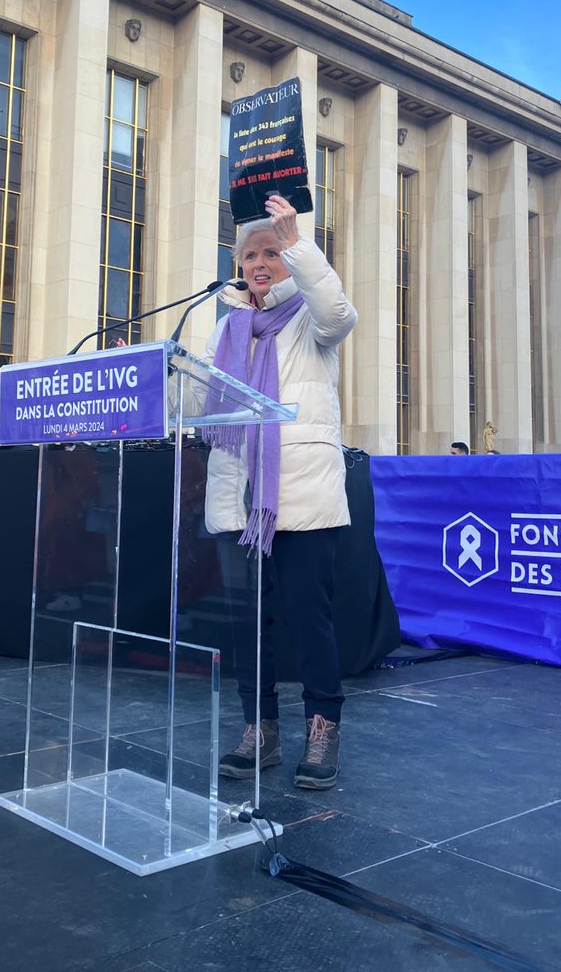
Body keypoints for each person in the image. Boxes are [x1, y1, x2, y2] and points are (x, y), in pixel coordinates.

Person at [204, 194, 356, 791]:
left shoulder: (309, 321)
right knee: (249, 623)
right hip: (238, 498)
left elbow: (340, 313)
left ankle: (322, 727)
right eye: (251, 255)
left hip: (304, 497)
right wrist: (152, 380)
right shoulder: (225, 328)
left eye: (271, 253)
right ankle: (258, 727)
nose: (260, 263)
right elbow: (200, 403)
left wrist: (299, 242)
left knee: (308, 620)